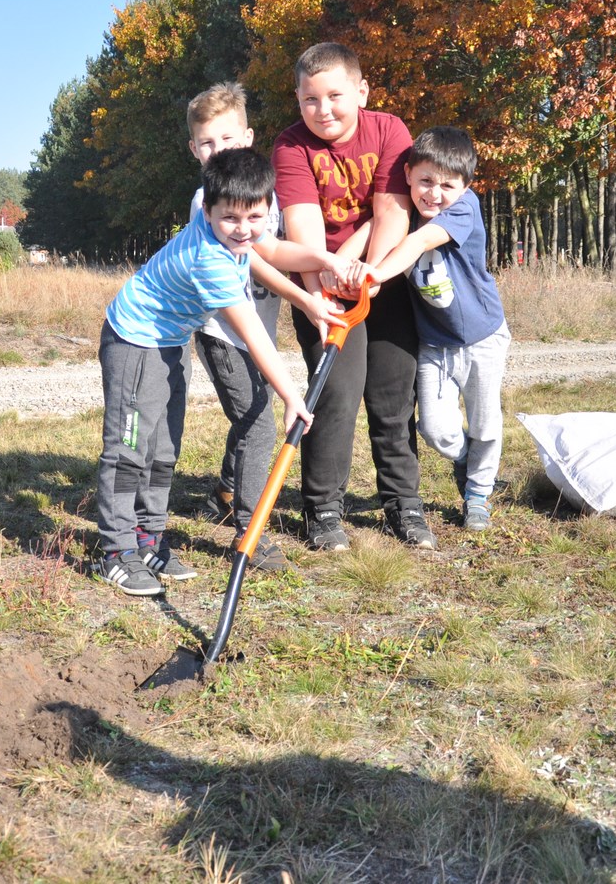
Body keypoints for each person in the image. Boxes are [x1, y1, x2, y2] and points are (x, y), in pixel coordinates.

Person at [95, 147, 365, 596]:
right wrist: (291, 398)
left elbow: (267, 253)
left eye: (255, 218)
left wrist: (318, 278)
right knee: (130, 447)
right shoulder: (210, 260)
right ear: (208, 211)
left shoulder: (230, 224)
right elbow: (255, 336)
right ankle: (116, 551)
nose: (244, 230)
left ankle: (147, 538)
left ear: (267, 208)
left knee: (162, 449)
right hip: (134, 341)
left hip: (170, 341)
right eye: (231, 220)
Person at [273, 42, 431, 551]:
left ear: (361, 91)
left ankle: (403, 504)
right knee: (336, 394)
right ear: (298, 101)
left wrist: (373, 276)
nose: (324, 111)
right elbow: (304, 231)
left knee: (392, 395)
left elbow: (391, 213)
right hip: (320, 286)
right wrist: (320, 298)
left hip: (382, 278)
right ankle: (321, 510)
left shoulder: (389, 130)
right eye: (310, 101)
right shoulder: (290, 148)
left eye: (335, 96)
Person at [184, 83, 342, 573]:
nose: (218, 151)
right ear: (195, 151)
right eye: (207, 144)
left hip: (256, 326)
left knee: (250, 410)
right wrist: (303, 295)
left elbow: (273, 251)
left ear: (248, 138)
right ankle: (250, 529)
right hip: (222, 329)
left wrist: (320, 265)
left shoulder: (262, 198)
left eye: (227, 140)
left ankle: (228, 491)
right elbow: (255, 261)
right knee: (257, 419)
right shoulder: (207, 201)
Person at [367, 127, 510, 533]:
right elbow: (375, 229)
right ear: (408, 174)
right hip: (434, 343)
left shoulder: (464, 209)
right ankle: (465, 460)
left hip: (483, 338)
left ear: (465, 186)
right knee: (434, 428)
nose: (434, 193)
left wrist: (374, 276)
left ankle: (478, 495)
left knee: (485, 423)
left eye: (447, 185)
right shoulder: (401, 214)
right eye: (426, 181)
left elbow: (416, 246)